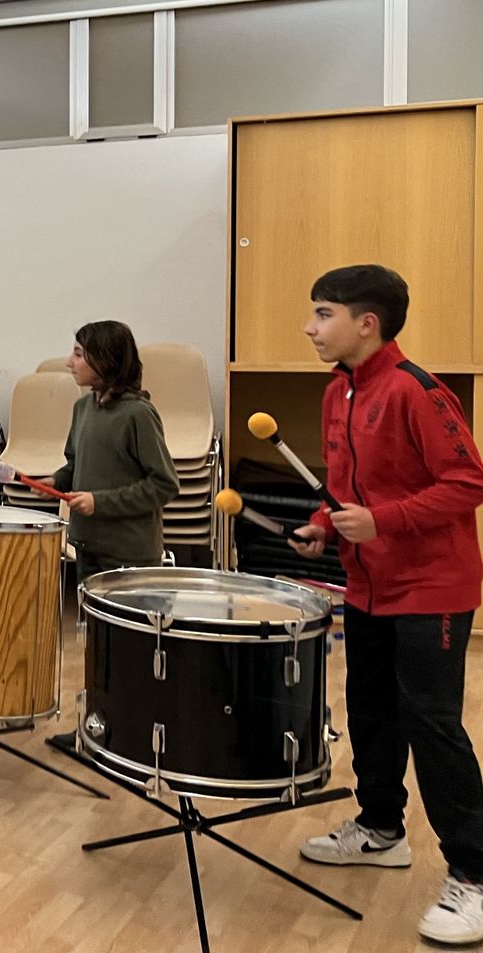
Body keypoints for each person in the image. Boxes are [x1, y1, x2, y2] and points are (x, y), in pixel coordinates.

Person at [287, 264, 483, 945]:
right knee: (370, 707)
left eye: (322, 313)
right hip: (367, 585)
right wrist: (323, 521)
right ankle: (379, 826)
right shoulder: (339, 390)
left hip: (432, 588)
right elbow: (345, 488)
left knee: (431, 724)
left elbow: (468, 482)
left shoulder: (417, 392)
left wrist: (385, 520)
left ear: (365, 322)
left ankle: (475, 873)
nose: (311, 327)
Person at [45, 320, 179, 579]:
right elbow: (76, 464)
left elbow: (164, 485)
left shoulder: (138, 414)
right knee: (91, 621)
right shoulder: (82, 408)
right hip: (87, 544)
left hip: (128, 554)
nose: (69, 362)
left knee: (123, 621)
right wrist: (56, 481)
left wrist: (100, 502)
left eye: (78, 354)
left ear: (105, 360)